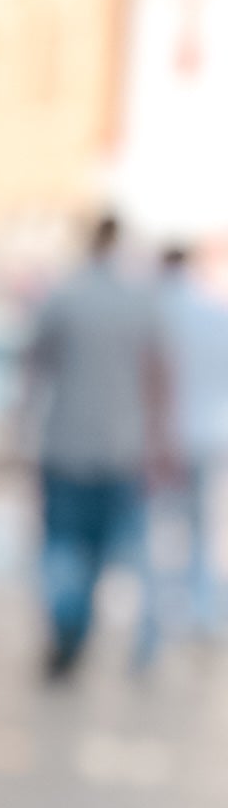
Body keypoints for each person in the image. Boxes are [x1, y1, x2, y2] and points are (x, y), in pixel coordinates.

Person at [24, 211, 166, 680]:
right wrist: (158, 442)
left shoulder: (64, 297)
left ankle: (68, 623)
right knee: (104, 551)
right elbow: (158, 376)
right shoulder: (138, 301)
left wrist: (19, 430)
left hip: (66, 442)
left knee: (64, 547)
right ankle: (81, 626)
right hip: (121, 446)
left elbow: (33, 367)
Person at [149, 240, 228, 653]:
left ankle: (162, 615)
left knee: (158, 531)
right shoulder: (213, 313)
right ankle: (201, 610)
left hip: (162, 438)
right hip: (208, 434)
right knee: (200, 530)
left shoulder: (153, 312)